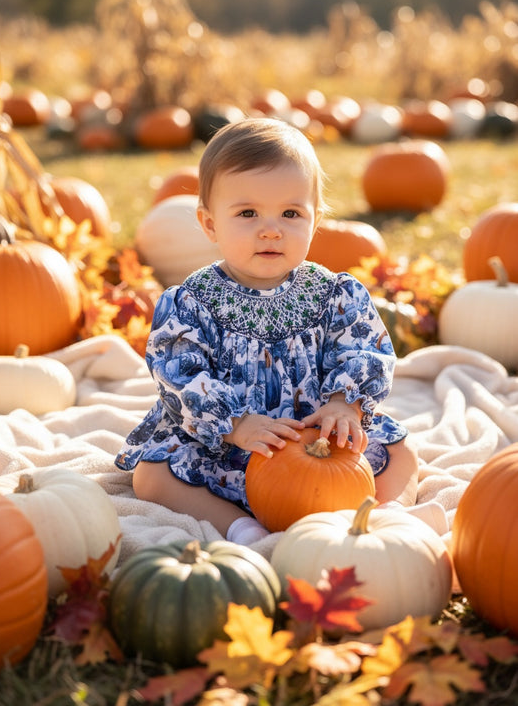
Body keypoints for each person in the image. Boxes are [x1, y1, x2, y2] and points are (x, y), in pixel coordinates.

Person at [115, 117, 445, 545]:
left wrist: (345, 405)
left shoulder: (334, 294)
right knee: (153, 475)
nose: (271, 229)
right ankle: (239, 527)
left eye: (291, 213)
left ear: (314, 220)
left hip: (317, 439)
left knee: (401, 451)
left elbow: (365, 350)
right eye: (247, 213)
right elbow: (178, 373)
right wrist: (234, 423)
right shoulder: (192, 301)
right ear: (210, 224)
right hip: (229, 444)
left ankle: (384, 517)